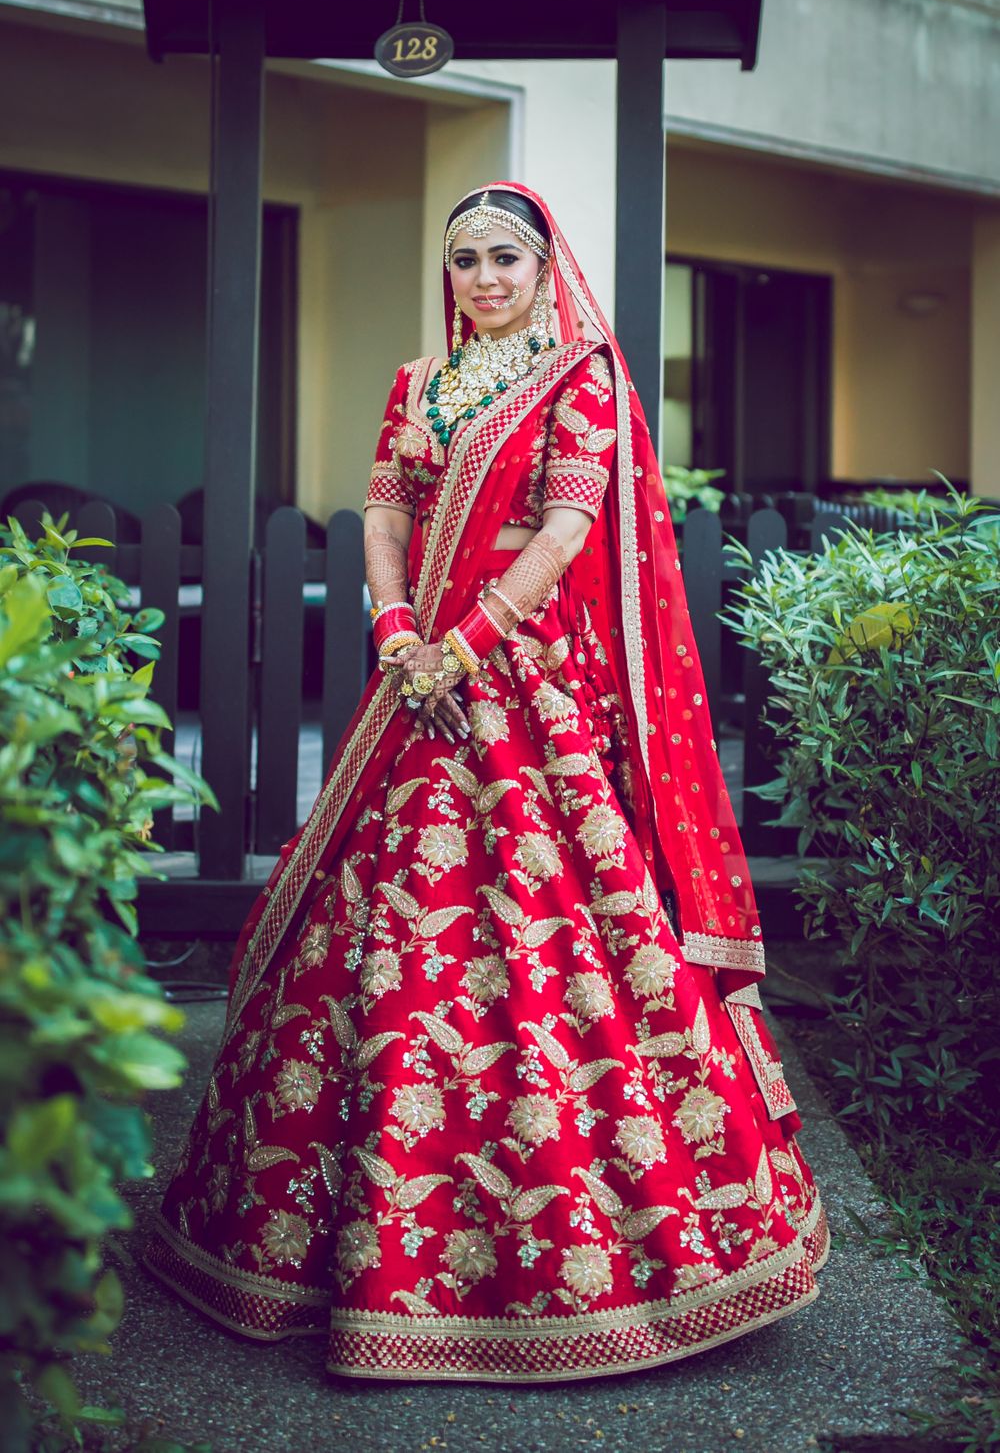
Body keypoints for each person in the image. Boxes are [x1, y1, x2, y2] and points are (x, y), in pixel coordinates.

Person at [145, 183, 827, 1382]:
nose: (483, 278)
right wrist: (399, 629)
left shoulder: (580, 380)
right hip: (419, 677)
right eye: (463, 259)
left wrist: (464, 644)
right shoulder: (422, 383)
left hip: (526, 687)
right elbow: (386, 509)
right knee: (374, 922)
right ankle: (338, 1247)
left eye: (503, 256)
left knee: (553, 922)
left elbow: (564, 531)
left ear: (541, 260)